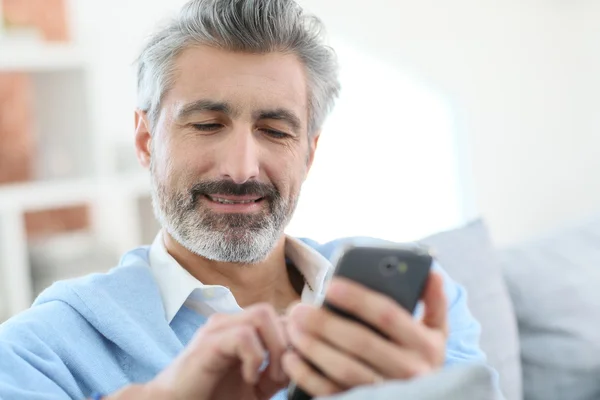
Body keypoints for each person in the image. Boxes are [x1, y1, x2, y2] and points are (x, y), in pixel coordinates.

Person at [0, 0, 494, 399]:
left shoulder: (410, 305)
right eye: (207, 125)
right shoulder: (40, 350)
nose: (240, 168)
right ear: (147, 140)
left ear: (309, 153)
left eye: (275, 130)